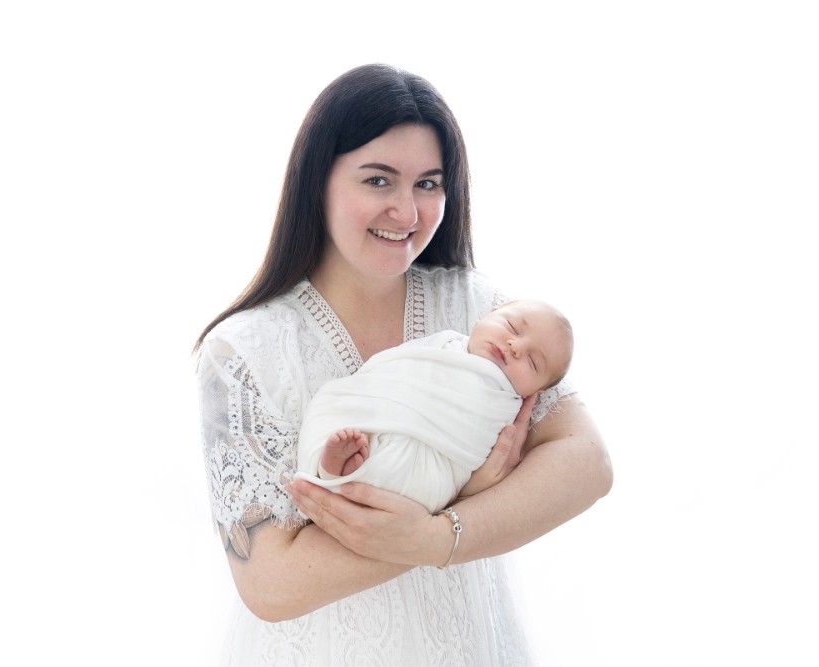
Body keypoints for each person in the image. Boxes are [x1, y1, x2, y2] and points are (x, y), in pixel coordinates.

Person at [195, 63, 612, 665]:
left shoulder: (484, 313)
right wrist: (458, 512)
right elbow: (273, 583)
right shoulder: (243, 353)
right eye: (378, 180)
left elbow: (587, 464)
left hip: (472, 644)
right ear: (318, 181)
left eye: (428, 184)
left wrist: (436, 537)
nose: (408, 213)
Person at [295, 299, 574, 514]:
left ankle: (343, 473)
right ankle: (340, 468)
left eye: (533, 362)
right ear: (488, 314)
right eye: (512, 327)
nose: (515, 346)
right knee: (339, 406)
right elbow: (389, 373)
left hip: (437, 459)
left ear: (536, 391)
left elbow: (477, 445)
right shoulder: (444, 343)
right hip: (387, 413)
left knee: (418, 483)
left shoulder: (504, 405)